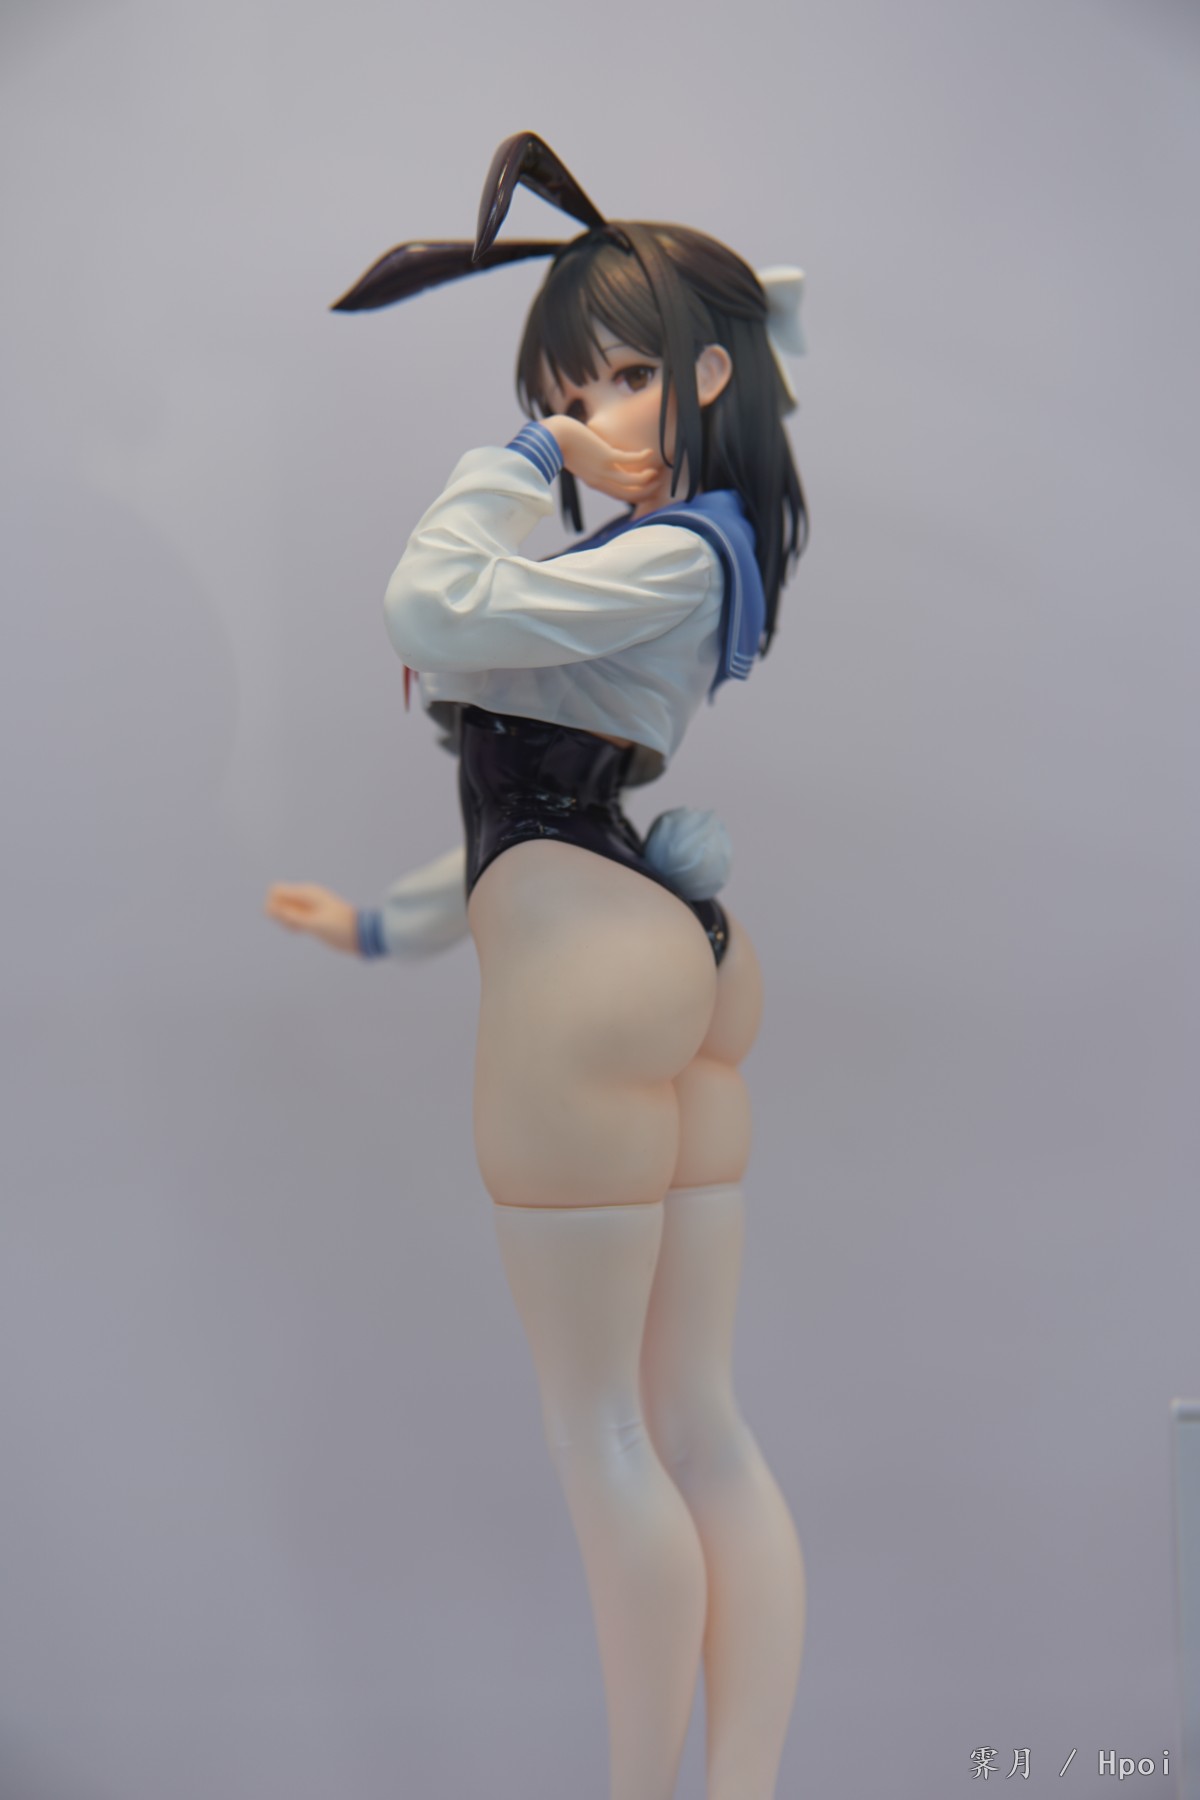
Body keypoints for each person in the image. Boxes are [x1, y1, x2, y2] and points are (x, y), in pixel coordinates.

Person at [266, 133, 809, 1800]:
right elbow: (541, 805)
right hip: (661, 949)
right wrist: (383, 926)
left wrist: (515, 454)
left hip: (591, 975)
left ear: (708, 373)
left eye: (623, 379)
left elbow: (429, 608)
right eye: (569, 392)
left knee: (609, 1435)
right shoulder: (687, 550)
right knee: (694, 1423)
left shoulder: (666, 550)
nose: (592, 419)